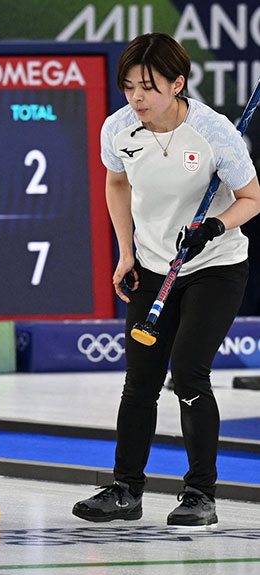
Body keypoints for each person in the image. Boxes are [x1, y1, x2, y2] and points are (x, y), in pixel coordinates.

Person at [72, 33, 260, 527]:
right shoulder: (118, 130)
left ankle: (200, 494)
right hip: (154, 266)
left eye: (149, 87)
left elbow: (252, 198)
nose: (137, 97)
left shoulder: (214, 133)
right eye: (129, 85)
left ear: (178, 84)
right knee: (140, 383)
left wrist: (215, 226)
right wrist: (126, 252)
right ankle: (125, 490)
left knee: (189, 371)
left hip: (214, 266)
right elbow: (116, 182)